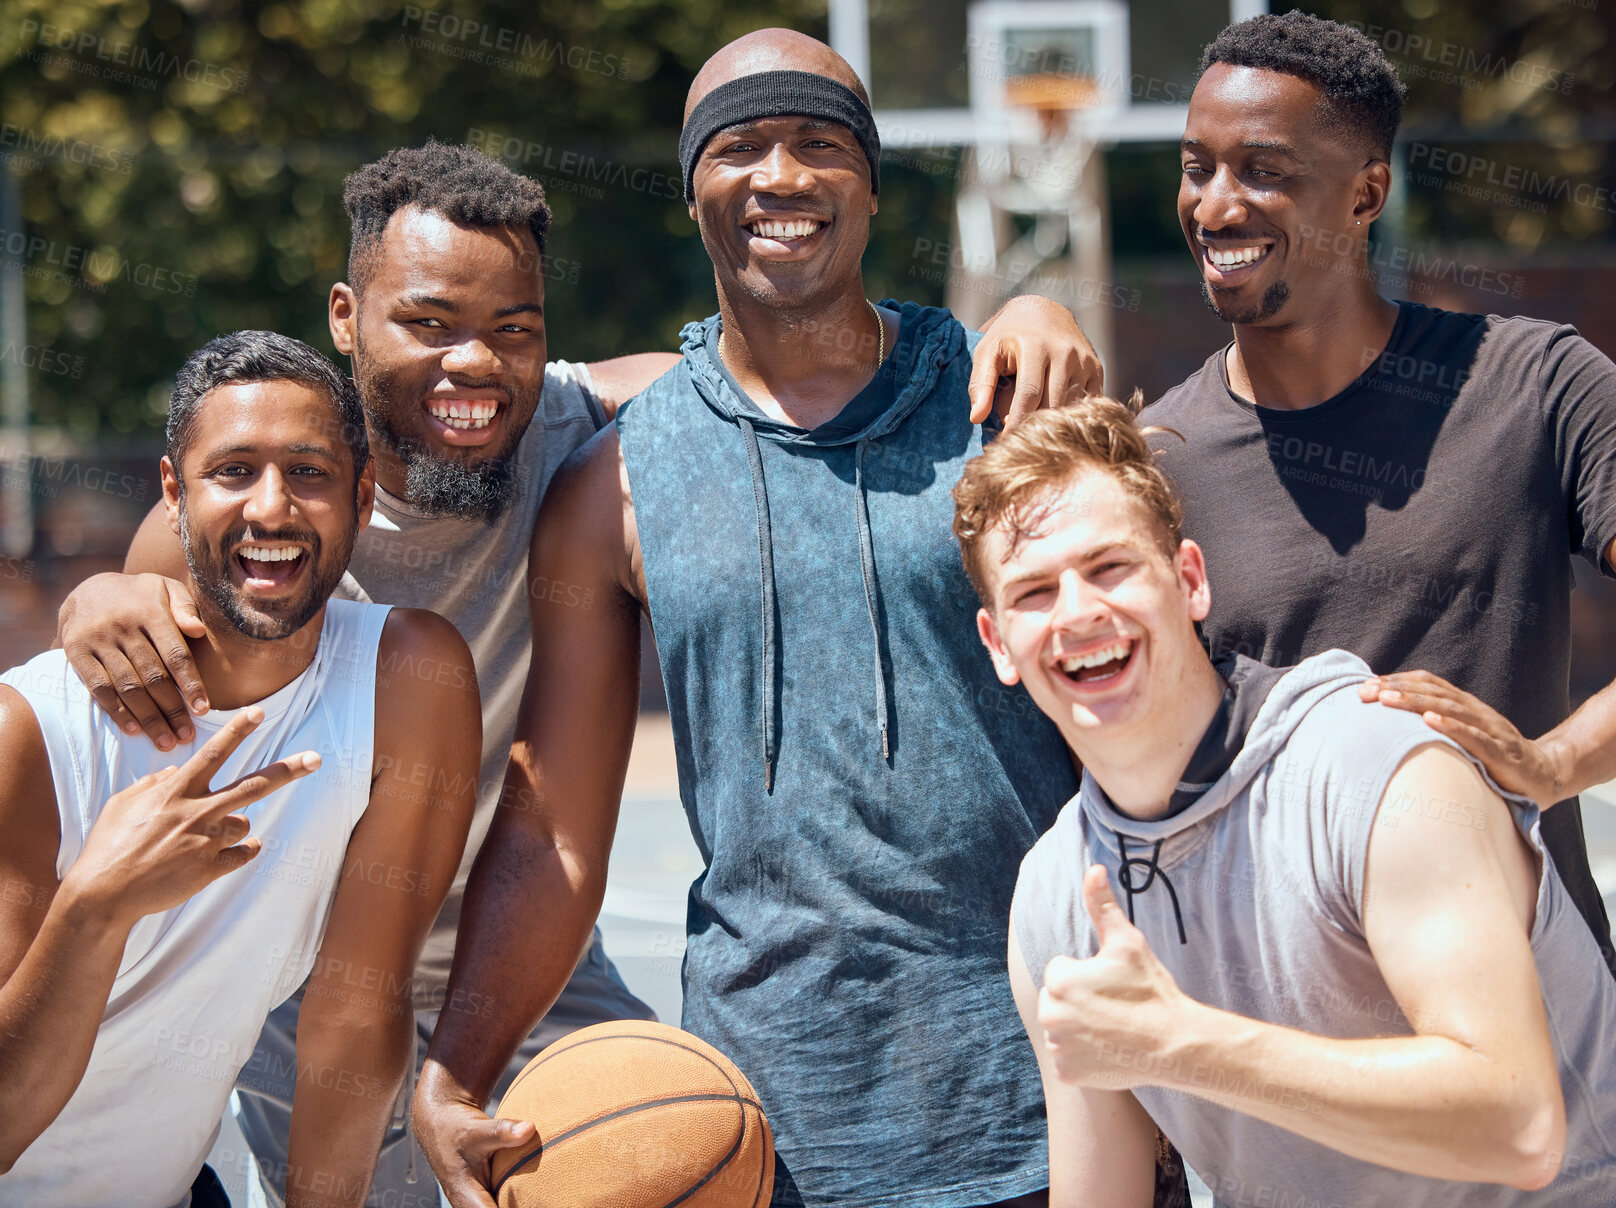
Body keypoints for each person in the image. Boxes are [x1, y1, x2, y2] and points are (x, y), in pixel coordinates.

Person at [52, 139, 1100, 1202]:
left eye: (512, 329)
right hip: (313, 972)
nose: (473, 363)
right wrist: (97, 596)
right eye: (427, 323)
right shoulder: (277, 504)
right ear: (343, 317)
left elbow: (758, 379)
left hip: (525, 950)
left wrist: (1018, 323)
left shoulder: (591, 427)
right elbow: (136, 601)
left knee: (679, 1150)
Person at [413, 29, 1169, 1208]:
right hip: (769, 1126)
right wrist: (456, 1063)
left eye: (818, 144)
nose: (779, 176)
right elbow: (557, 824)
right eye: (739, 147)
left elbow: (1155, 713)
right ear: (693, 190)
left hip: (1055, 1090)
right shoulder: (610, 489)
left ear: (869, 183)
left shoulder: (1003, 408)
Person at [953, 396, 1616, 1207]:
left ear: (1188, 581)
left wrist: (1182, 1044)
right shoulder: (1054, 898)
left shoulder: (1375, 766)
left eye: (1109, 567)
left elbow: (1518, 1125)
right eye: (1034, 592)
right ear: (998, 643)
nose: (1077, 612)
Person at [1141, 11, 1616, 986]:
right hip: (1296, 1036)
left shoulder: (1533, 383)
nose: (1213, 205)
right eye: (1195, 166)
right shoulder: (1162, 460)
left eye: (1261, 169)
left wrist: (1554, 761)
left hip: (1545, 1015)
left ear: (1364, 191)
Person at [0, 331, 479, 1208]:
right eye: (233, 472)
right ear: (174, 493)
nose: (272, 508)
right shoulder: (28, 734)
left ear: (361, 496)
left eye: (308, 472)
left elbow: (351, 1013)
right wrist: (96, 907)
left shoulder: (409, 679)